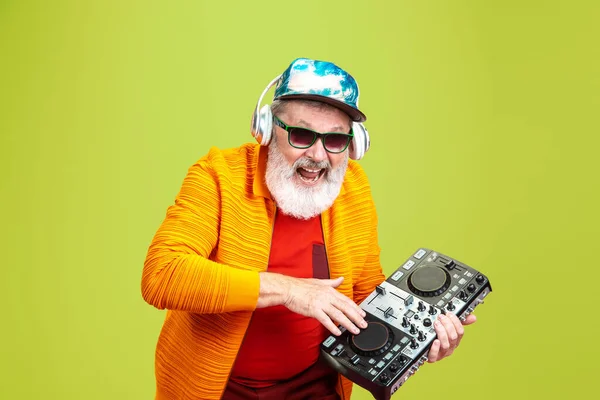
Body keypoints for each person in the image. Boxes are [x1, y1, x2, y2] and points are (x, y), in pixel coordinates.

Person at [141, 58, 477, 400]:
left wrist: (418, 339)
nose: (318, 155)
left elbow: (363, 299)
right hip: (219, 389)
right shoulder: (217, 176)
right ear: (268, 129)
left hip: (315, 387)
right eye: (302, 135)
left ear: (354, 144)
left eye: (334, 140)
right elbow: (163, 275)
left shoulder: (353, 188)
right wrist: (290, 290)